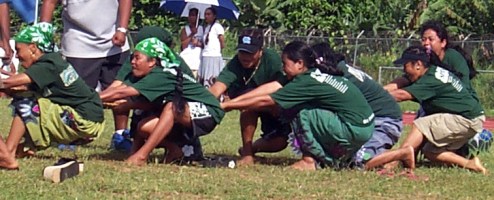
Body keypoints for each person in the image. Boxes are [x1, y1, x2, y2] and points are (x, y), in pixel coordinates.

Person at [222, 41, 374, 170]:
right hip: (365, 127)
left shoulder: (305, 82)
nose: (282, 68)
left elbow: (267, 100)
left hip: (354, 128)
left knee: (297, 110)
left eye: (285, 64)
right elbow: (274, 87)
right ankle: (335, 159)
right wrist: (234, 102)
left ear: (300, 64)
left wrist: (228, 106)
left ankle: (309, 161)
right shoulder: (315, 74)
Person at [100, 38, 224, 166]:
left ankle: (141, 156)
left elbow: (120, 93)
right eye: (132, 58)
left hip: (209, 111)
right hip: (183, 113)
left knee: (172, 107)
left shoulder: (162, 74)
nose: (132, 62)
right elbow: (125, 93)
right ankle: (174, 150)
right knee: (143, 124)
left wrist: (90, 98)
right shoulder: (142, 74)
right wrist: (124, 104)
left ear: (152, 61)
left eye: (137, 58)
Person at [365, 46, 486, 175]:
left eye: (405, 65)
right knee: (430, 152)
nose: (404, 70)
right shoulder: (429, 72)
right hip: (471, 118)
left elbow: (401, 95)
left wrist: (373, 99)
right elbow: (401, 82)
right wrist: (377, 91)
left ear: (418, 64)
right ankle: (471, 164)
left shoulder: (430, 80)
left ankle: (395, 162)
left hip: (466, 119)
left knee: (421, 124)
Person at [0, 23, 105, 170]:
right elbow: (17, 85)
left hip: (83, 120)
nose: (17, 56)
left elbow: (13, 84)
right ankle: (21, 148)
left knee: (25, 99)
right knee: (31, 100)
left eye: (18, 50)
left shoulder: (47, 64)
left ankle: (8, 152)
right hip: (89, 119)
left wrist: (7, 81)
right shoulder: (53, 60)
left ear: (33, 48)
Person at [311, 42, 403, 169]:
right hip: (372, 120)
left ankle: (401, 154)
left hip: (384, 120)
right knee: (340, 161)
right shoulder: (340, 68)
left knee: (357, 162)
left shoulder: (336, 75)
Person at [105, 26, 194, 153]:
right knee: (139, 114)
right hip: (157, 108)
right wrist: (98, 98)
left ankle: (177, 148)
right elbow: (116, 86)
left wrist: (94, 98)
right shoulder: (137, 58)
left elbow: (122, 91)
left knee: (144, 124)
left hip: (179, 115)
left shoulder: (171, 64)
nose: (135, 59)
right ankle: (136, 149)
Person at [208, 28, 290, 165]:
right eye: (242, 52)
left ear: (260, 50)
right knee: (248, 106)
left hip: (275, 104)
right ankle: (247, 153)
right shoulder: (235, 63)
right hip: (250, 105)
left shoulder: (272, 60)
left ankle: (252, 148)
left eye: (250, 53)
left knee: (279, 143)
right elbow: (217, 87)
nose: (245, 57)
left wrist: (232, 102)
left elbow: (277, 87)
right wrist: (204, 101)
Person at [40, 0, 132, 90]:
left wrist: (122, 29)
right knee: (79, 96)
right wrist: (44, 33)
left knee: (120, 97)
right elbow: (50, 2)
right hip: (79, 47)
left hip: (115, 44)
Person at [198, 7, 225, 88]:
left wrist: (218, 49)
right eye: (205, 14)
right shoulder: (207, 27)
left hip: (213, 56)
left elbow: (222, 41)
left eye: (209, 14)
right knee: (203, 79)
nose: (206, 16)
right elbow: (205, 44)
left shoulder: (217, 26)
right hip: (205, 55)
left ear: (214, 16)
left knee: (211, 79)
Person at [179, 8, 203, 77]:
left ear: (197, 17)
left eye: (193, 15)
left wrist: (198, 44)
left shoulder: (202, 29)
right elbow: (183, 45)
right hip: (187, 59)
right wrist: (192, 34)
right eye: (190, 15)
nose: (191, 17)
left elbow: (206, 44)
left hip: (198, 61)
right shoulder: (185, 29)